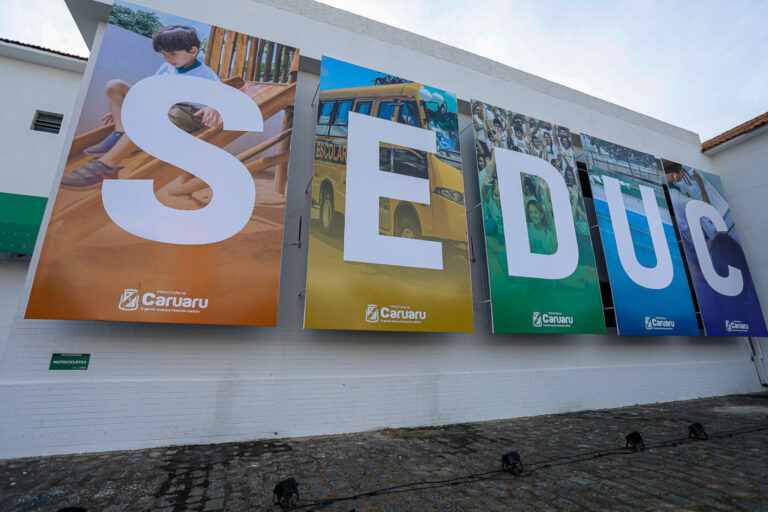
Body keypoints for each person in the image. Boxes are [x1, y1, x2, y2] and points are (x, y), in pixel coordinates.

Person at [63, 25, 223, 188]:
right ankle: (121, 132)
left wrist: (213, 107)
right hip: (161, 105)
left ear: (193, 51)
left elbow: (221, 95)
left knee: (152, 119)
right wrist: (126, 108)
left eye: (173, 54)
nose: (168, 58)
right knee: (115, 85)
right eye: (164, 54)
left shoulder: (205, 73)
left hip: (187, 112)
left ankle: (106, 166)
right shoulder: (169, 66)